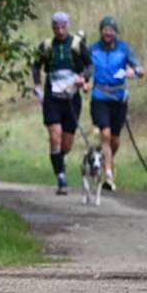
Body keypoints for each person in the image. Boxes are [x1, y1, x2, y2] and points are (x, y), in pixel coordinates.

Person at [32, 11, 91, 195]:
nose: (60, 30)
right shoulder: (46, 46)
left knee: (66, 143)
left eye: (63, 26)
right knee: (54, 136)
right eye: (56, 26)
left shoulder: (76, 44)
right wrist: (37, 86)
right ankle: (61, 178)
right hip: (52, 97)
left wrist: (83, 78)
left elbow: (90, 65)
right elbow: (35, 65)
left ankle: (60, 158)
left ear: (68, 26)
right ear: (52, 27)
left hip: (72, 98)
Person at [89, 15, 145, 191]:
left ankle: (102, 159)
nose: (108, 33)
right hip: (99, 97)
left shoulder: (123, 49)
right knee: (104, 134)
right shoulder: (92, 49)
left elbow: (140, 70)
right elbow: (84, 68)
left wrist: (134, 71)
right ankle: (108, 174)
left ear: (115, 32)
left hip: (118, 99)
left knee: (115, 140)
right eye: (105, 29)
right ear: (100, 31)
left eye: (111, 30)